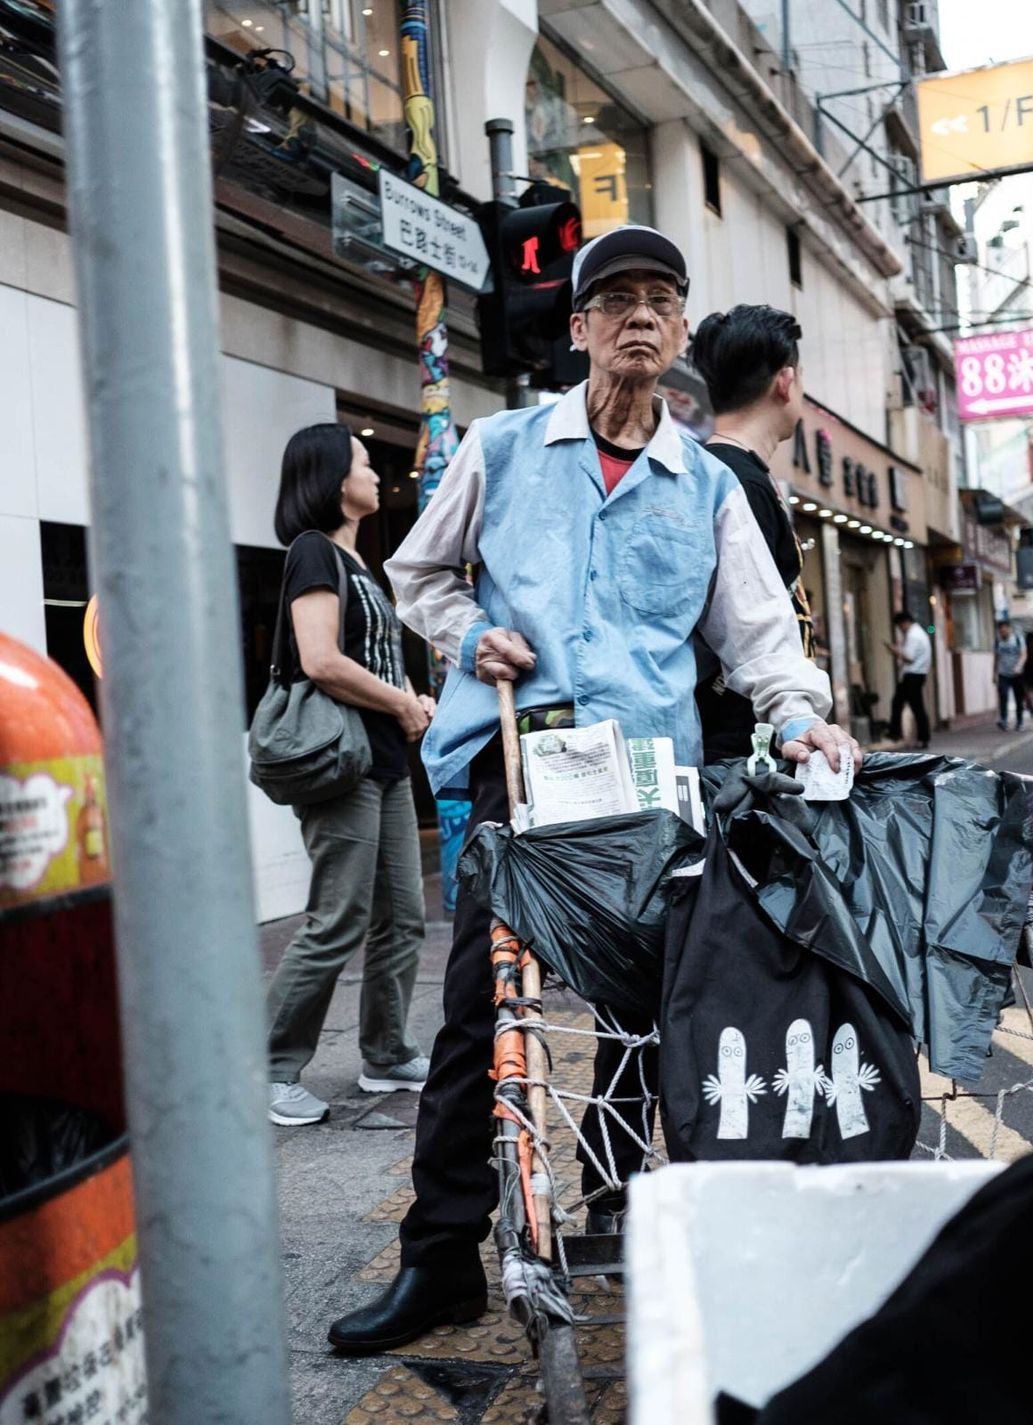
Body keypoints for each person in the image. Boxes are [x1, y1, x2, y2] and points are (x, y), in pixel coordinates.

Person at [326, 223, 861, 1354]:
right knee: (479, 1014)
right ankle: (441, 1258)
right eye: (615, 299)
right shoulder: (504, 446)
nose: (639, 316)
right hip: (524, 771)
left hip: (650, 783)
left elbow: (761, 641)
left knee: (647, 1010)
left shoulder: (705, 485)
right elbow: (417, 573)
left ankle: (615, 1204)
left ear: (680, 332)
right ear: (578, 329)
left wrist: (798, 717)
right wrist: (470, 635)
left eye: (660, 298)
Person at [265, 423, 435, 1127]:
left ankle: (386, 1052)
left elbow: (371, 659)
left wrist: (410, 698)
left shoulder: (358, 563)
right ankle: (271, 1067)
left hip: (384, 760)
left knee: (404, 916)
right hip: (343, 763)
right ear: (336, 478)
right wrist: (401, 701)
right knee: (338, 919)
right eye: (364, 463)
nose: (374, 474)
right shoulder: (313, 551)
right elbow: (320, 659)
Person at [689, 303, 817, 761]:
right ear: (786, 381)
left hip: (742, 735)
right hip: (741, 744)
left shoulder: (716, 473)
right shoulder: (736, 485)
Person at [885, 610, 932, 749]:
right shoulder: (919, 633)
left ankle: (896, 733)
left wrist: (895, 651)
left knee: (904, 704)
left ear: (905, 623)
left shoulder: (913, 635)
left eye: (900, 626)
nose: (900, 629)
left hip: (912, 675)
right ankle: (920, 737)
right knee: (913, 706)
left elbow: (909, 657)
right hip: (917, 674)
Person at [994, 619, 1027, 732]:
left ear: (1009, 629)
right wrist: (994, 673)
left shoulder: (1018, 639)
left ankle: (1020, 721)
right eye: (1000, 631)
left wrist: (1019, 666)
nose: (1002, 633)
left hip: (1017, 674)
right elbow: (996, 658)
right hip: (1003, 673)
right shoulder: (998, 641)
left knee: (1019, 698)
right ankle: (1003, 719)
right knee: (1003, 695)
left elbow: (1023, 655)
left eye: (1004, 631)